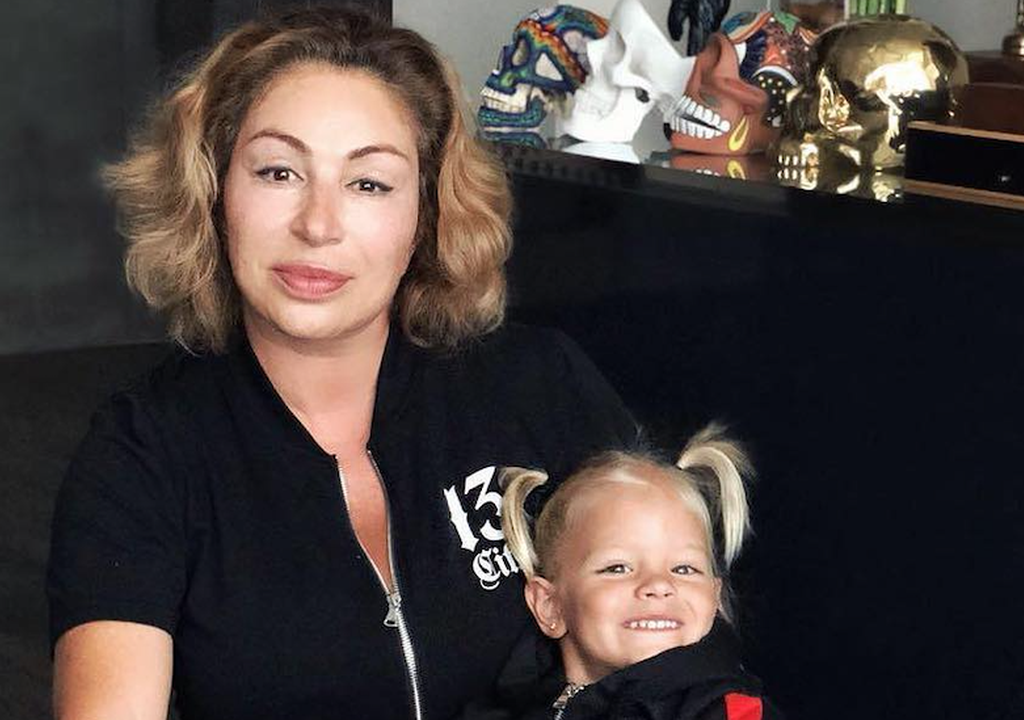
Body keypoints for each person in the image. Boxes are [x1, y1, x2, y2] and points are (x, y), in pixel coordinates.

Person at [46, 6, 636, 720]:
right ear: (214, 194)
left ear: (426, 215)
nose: (317, 225)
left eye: (369, 183)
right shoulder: (143, 454)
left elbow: (683, 651)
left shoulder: (541, 384)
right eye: (278, 171)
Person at [472, 425, 781, 720]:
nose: (659, 584)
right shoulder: (505, 707)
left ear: (714, 598)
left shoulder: (731, 711)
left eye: (684, 568)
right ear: (549, 606)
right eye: (618, 568)